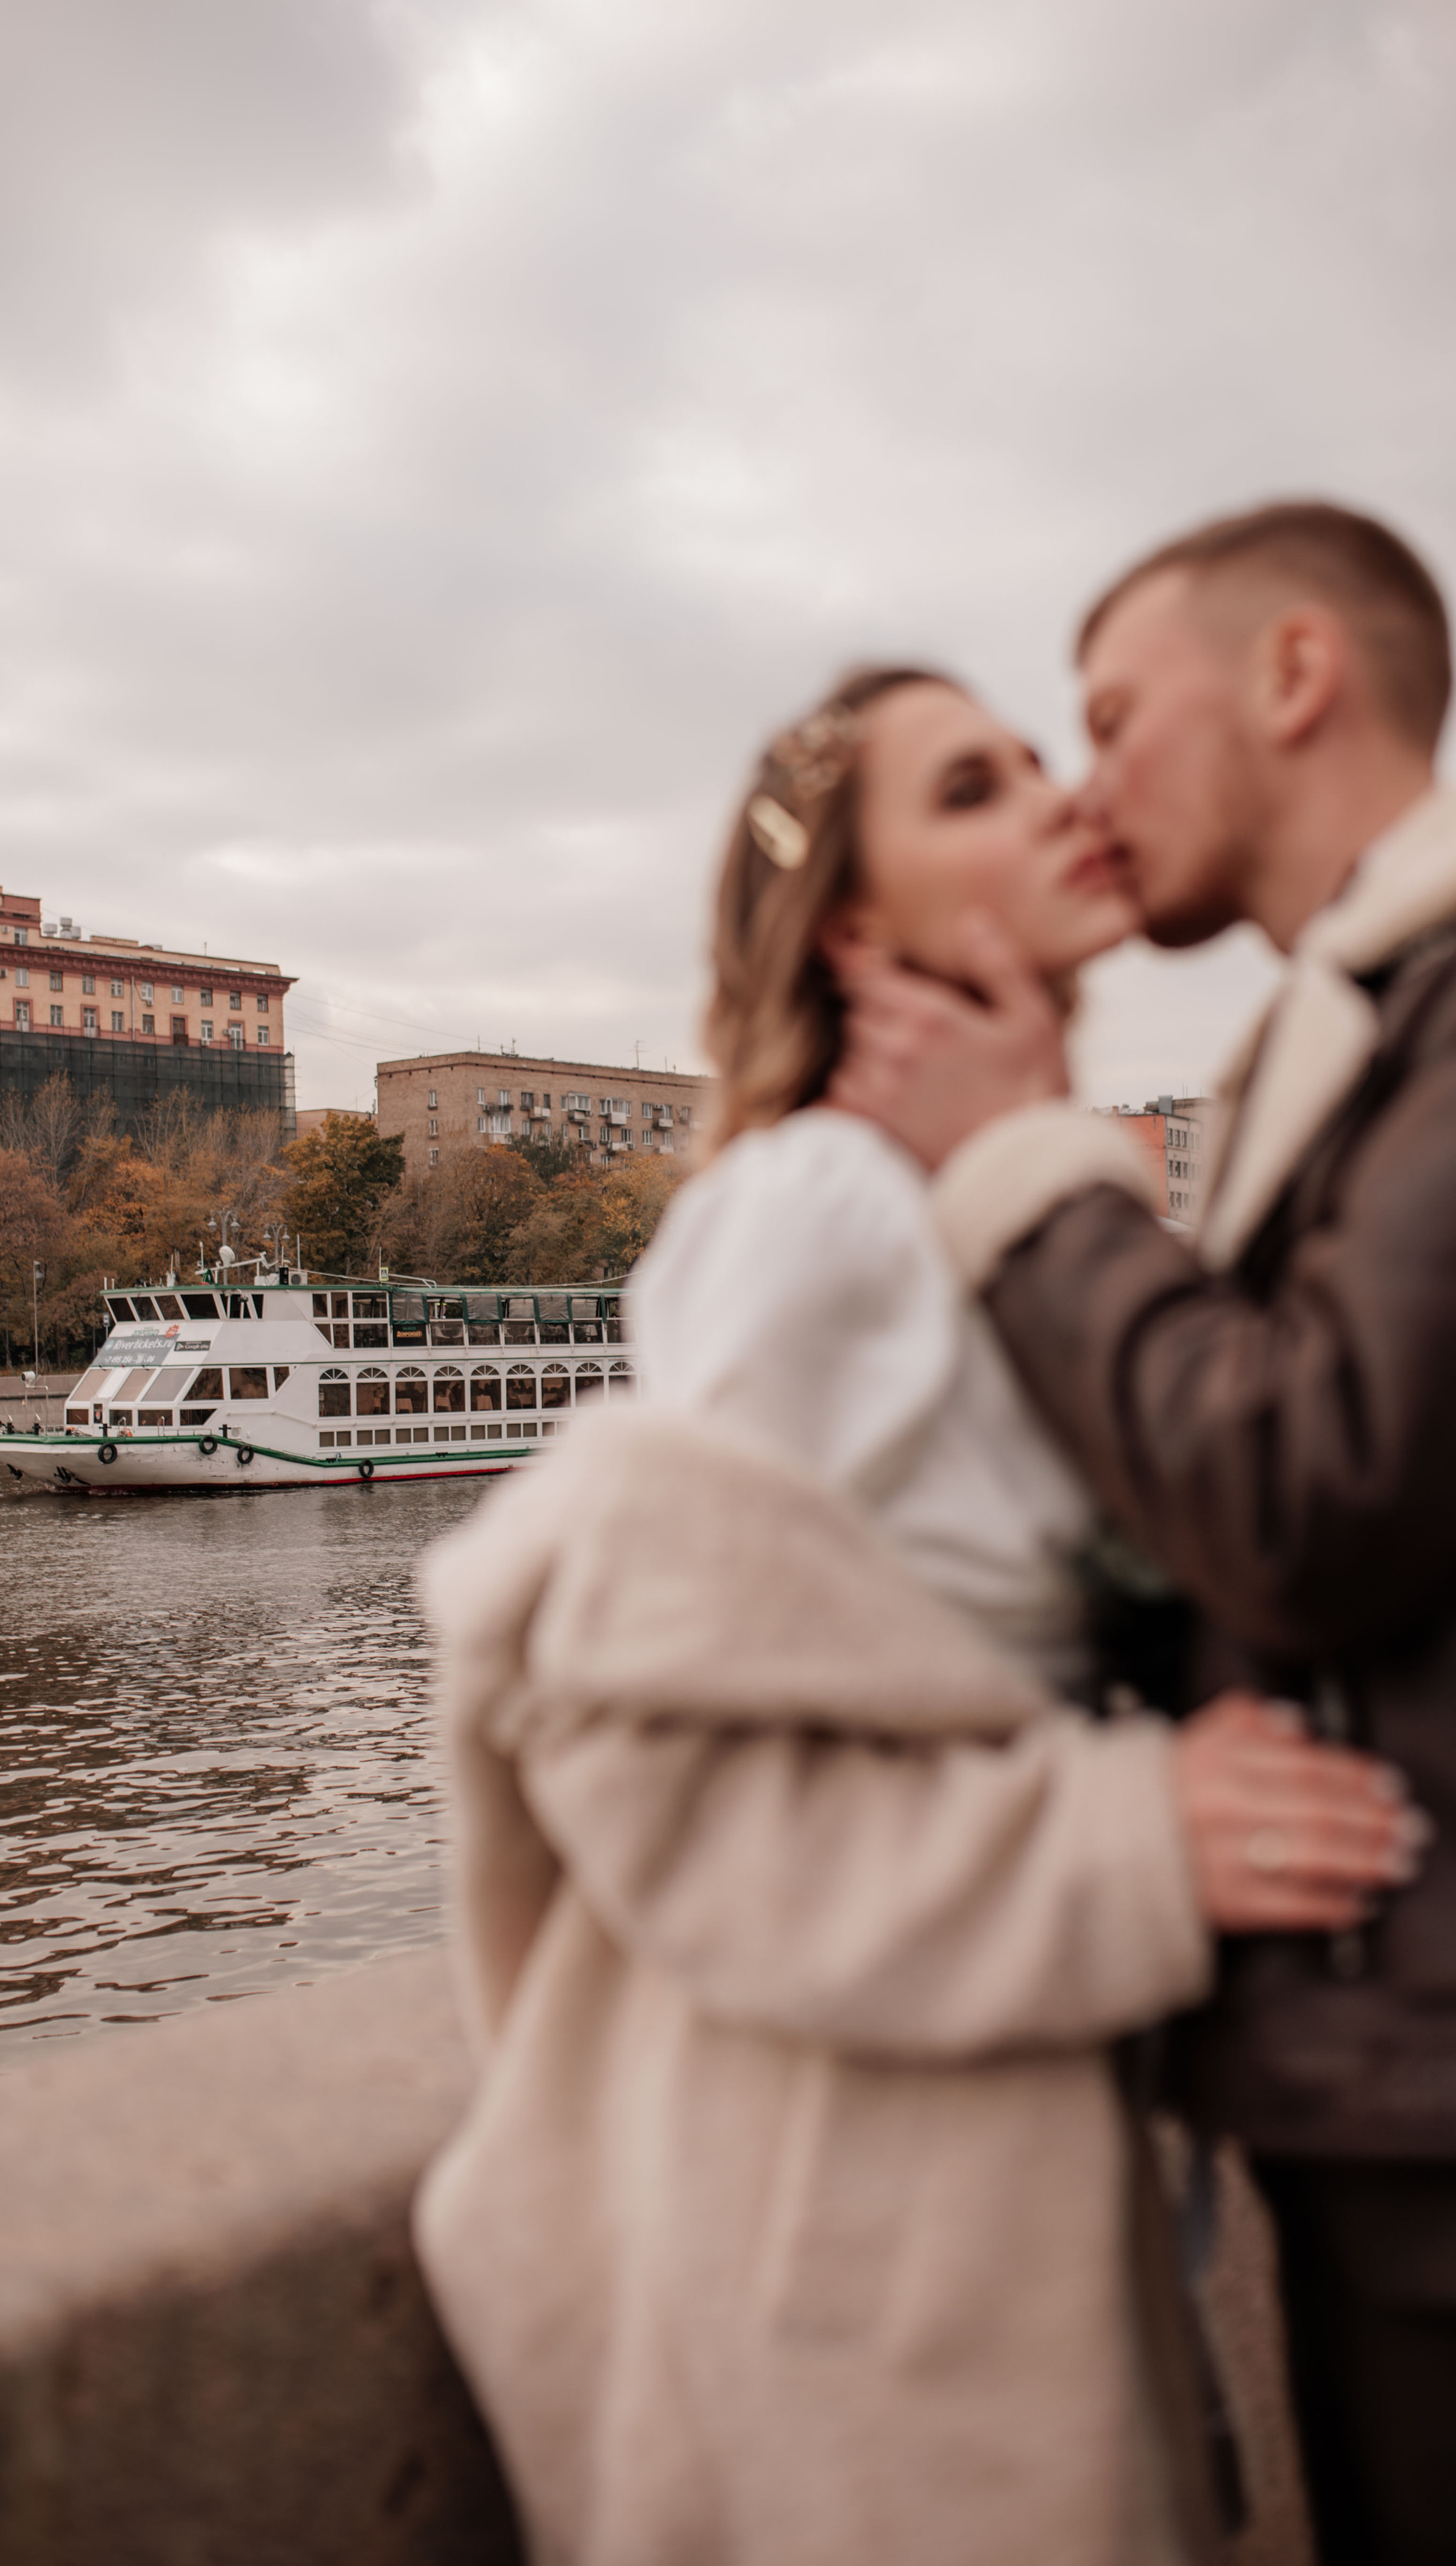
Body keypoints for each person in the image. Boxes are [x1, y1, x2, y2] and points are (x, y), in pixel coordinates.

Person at [412, 663, 1419, 2566]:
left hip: (997, 2142)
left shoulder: (996, 1209)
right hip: (852, 2193)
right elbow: (645, 1731)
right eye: (976, 784)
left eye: (1047, 760)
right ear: (861, 928)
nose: (1057, 798)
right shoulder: (821, 1205)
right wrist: (1125, 1846)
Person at [828, 501, 1456, 2565]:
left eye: (1106, 719)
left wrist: (1023, 1177)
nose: (1085, 793)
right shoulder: (1348, 1026)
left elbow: (1311, 1493)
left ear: (1292, 677)